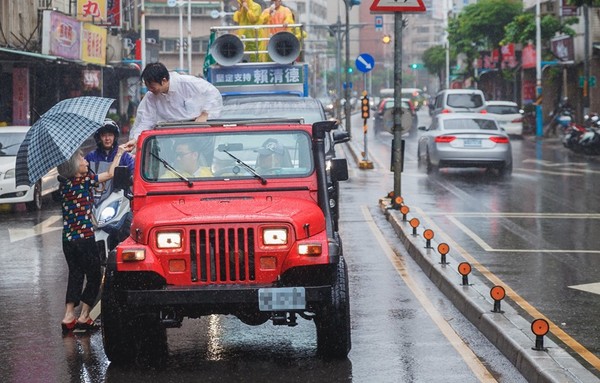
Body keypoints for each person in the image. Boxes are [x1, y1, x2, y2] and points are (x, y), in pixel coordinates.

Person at [58, 145, 127, 334]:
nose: (86, 161)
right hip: (85, 239)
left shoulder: (64, 183)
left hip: (68, 240)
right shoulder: (85, 180)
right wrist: (119, 154)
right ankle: (84, 316)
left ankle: (68, 315)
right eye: (82, 160)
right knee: (95, 275)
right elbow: (110, 174)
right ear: (73, 165)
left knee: (75, 274)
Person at [125, 62, 223, 151]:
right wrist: (136, 139)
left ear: (164, 80)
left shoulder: (187, 83)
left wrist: (205, 113)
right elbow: (145, 121)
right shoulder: (151, 97)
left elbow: (212, 93)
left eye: (152, 86)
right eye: (147, 86)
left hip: (199, 134)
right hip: (174, 139)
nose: (150, 90)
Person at [85, 119, 135, 206]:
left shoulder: (124, 156)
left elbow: (134, 174)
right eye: (104, 135)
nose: (107, 138)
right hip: (94, 202)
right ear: (99, 137)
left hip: (119, 202)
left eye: (110, 135)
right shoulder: (90, 157)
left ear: (115, 137)